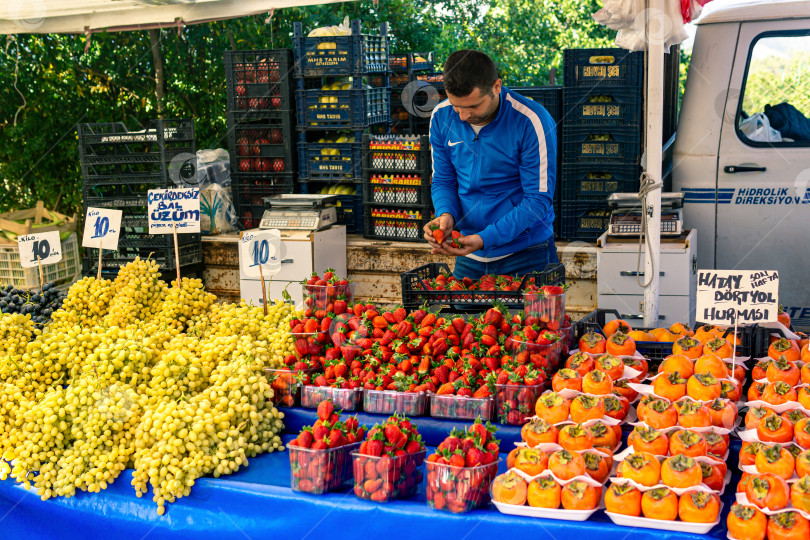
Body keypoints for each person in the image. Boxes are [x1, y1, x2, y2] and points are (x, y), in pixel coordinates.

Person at [423, 49, 558, 280]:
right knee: (465, 318)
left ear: (496, 86)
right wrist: (446, 215)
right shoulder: (441, 117)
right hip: (469, 257)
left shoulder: (531, 120)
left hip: (527, 254)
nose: (463, 115)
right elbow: (444, 180)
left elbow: (537, 200)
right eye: (456, 105)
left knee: (534, 318)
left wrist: (485, 238)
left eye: (473, 106)